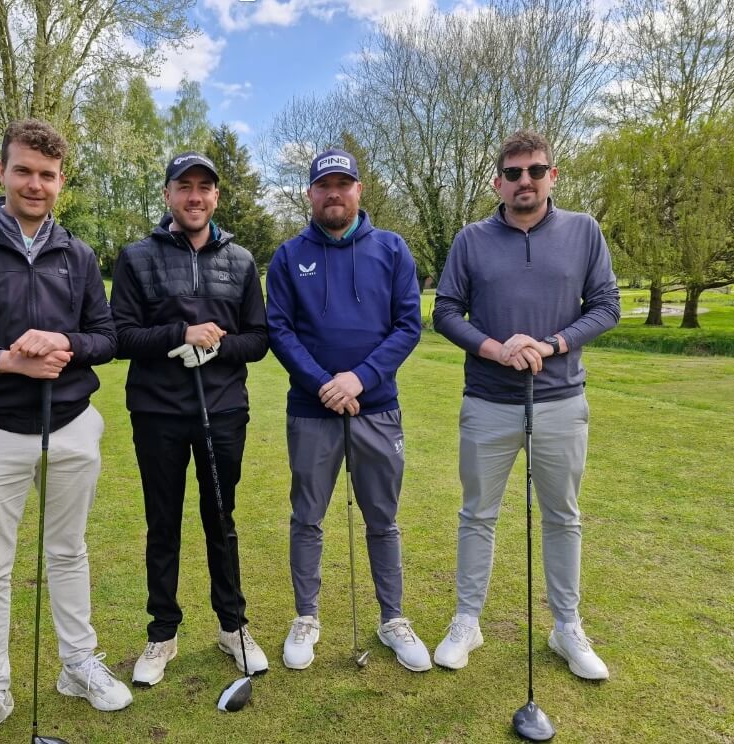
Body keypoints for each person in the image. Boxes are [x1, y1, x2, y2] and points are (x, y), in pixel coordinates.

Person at [0, 119, 132, 744]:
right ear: (2, 172)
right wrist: (5, 359)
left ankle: (76, 667)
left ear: (61, 181)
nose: (35, 185)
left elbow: (108, 338)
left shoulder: (79, 254)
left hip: (71, 425)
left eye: (47, 175)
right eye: (23, 171)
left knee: (69, 552)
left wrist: (65, 341)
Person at [431, 129, 620, 680]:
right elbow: (445, 311)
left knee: (563, 516)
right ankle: (467, 620)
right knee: (477, 515)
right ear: (499, 181)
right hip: (488, 401)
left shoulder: (583, 232)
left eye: (536, 171)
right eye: (513, 173)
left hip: (561, 400)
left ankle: (566, 627)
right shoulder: (471, 239)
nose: (525, 182)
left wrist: (551, 344)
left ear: (552, 176)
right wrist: (496, 348)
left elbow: (606, 306)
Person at [110, 151, 270, 687]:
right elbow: (120, 336)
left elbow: (258, 339)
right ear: (168, 195)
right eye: (185, 186)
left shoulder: (242, 261)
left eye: (205, 187)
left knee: (221, 521)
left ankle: (233, 627)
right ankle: (162, 634)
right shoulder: (136, 257)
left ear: (216, 197)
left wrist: (217, 346)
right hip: (157, 412)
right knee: (163, 523)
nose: (195, 196)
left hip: (223, 410)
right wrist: (181, 334)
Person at [266, 148, 429, 672]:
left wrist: (358, 378)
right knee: (307, 517)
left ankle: (393, 618)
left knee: (382, 519)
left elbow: (408, 325)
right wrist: (324, 384)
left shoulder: (393, 248)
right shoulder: (289, 256)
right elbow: (280, 331)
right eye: (324, 185)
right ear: (310, 193)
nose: (334, 192)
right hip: (312, 411)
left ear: (360, 189)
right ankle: (307, 617)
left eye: (344, 183)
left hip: (377, 407)